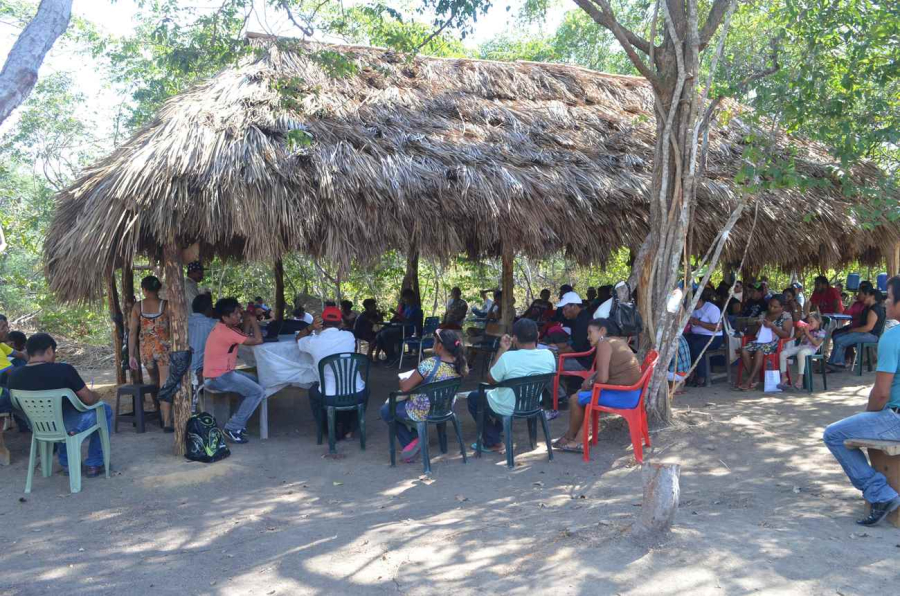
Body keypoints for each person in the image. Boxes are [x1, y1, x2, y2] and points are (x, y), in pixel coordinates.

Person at [822, 276, 900, 526]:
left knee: (834, 434)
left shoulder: (893, 337)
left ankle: (881, 493)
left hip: (896, 417)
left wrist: (870, 415)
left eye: (888, 297)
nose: (885, 303)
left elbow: (880, 394)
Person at [7, 333, 113, 478]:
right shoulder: (64, 370)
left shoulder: (14, 376)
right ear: (50, 350)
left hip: (38, 427)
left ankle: (67, 464)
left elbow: (17, 406)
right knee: (104, 409)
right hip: (68, 426)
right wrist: (96, 395)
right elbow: (88, 399)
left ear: (27, 351)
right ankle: (94, 463)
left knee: (59, 415)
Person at [466, 319, 556, 453]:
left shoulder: (508, 358)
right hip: (533, 403)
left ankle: (493, 442)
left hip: (507, 406)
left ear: (514, 338)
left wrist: (502, 349)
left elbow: (491, 379)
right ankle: (497, 431)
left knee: (474, 398)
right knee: (500, 396)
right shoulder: (549, 355)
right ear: (537, 335)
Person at [552, 319, 642, 453]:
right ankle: (574, 438)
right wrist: (589, 382)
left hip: (623, 396)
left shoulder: (604, 344)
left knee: (575, 399)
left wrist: (588, 384)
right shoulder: (616, 341)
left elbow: (603, 378)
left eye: (590, 332)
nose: (588, 337)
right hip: (632, 393)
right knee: (580, 394)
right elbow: (602, 372)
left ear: (602, 331)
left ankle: (574, 440)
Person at [380, 329, 467, 462]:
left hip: (422, 410)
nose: (433, 343)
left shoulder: (429, 364)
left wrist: (402, 380)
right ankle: (417, 436)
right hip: (444, 407)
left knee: (386, 410)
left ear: (440, 346)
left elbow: (405, 388)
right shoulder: (460, 365)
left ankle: (412, 442)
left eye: (435, 341)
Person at [297, 306, 365, 442]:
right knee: (365, 390)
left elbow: (298, 339)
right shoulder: (349, 336)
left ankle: (328, 430)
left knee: (313, 391)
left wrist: (311, 328)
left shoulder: (313, 341)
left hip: (329, 397)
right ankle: (350, 430)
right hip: (356, 394)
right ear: (341, 322)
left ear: (322, 322)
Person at [203, 298, 265, 443]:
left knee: (256, 382)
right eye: (236, 314)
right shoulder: (227, 332)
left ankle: (238, 421)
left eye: (239, 312)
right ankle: (233, 427)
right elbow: (257, 340)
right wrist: (254, 321)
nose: (239, 316)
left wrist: (248, 322)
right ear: (225, 317)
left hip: (219, 374)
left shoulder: (222, 327)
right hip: (219, 377)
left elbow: (244, 336)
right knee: (257, 392)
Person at [128, 275, 173, 430]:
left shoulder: (137, 307)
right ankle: (167, 420)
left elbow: (132, 332)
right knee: (165, 382)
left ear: (144, 289)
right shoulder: (166, 305)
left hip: (145, 350)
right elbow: (174, 329)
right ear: (159, 288)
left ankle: (157, 410)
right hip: (163, 349)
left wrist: (131, 355)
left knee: (154, 381)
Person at [737, 294, 794, 390]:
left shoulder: (786, 317)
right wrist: (757, 324)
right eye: (770, 305)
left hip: (776, 343)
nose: (771, 308)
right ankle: (755, 379)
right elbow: (753, 332)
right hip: (760, 341)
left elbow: (786, 335)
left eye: (775, 307)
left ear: (781, 307)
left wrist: (772, 326)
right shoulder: (764, 314)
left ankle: (749, 381)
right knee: (744, 350)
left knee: (760, 351)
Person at [827, 285, 885, 370]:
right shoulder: (870, 308)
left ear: (872, 297)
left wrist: (853, 330)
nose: (864, 297)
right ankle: (836, 362)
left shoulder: (874, 309)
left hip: (871, 336)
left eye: (867, 295)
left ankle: (836, 364)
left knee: (840, 340)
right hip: (867, 334)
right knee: (838, 336)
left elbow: (868, 328)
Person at [684, 288, 724, 387]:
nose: (691, 305)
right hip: (696, 335)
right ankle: (687, 373)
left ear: (700, 300)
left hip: (713, 337)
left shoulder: (711, 308)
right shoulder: (691, 309)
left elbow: (718, 328)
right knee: (684, 343)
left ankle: (701, 376)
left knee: (696, 346)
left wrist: (699, 323)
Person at [778, 313, 825, 391]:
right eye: (808, 322)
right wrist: (801, 331)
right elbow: (796, 337)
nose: (809, 324)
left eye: (811, 321)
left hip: (811, 349)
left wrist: (807, 334)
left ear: (818, 321)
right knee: (783, 353)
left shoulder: (822, 332)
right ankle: (784, 377)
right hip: (801, 347)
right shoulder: (808, 329)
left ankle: (800, 380)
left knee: (801, 353)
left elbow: (816, 344)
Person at [375, 289, 422, 366]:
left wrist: (396, 313)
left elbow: (408, 321)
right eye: (404, 298)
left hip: (408, 331)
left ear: (412, 297)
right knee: (379, 335)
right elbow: (401, 319)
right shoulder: (407, 308)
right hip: (401, 328)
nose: (405, 300)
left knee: (385, 334)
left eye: (406, 298)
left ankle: (393, 356)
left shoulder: (416, 309)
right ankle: (390, 356)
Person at [188, 294, 218, 374]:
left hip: (183, 369)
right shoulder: (212, 324)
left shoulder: (185, 321)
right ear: (209, 308)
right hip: (200, 370)